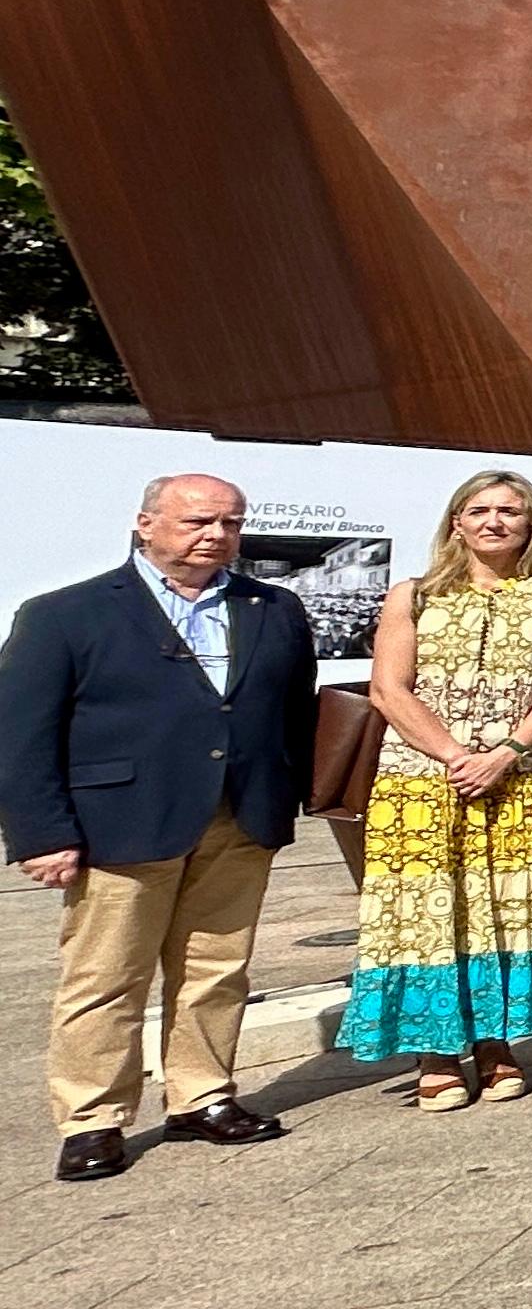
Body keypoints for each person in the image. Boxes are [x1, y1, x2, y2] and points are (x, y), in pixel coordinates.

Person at [3, 475, 314, 1181]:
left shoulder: (274, 608)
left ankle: (201, 1096)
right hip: (122, 823)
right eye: (199, 521)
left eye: (231, 524)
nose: (217, 535)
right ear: (146, 524)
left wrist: (285, 793)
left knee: (216, 968)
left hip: (239, 817)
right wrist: (43, 832)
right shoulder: (65, 615)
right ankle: (92, 1119)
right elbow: (22, 735)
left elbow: (293, 709)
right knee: (106, 977)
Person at [345, 473, 532, 1104]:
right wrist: (456, 753)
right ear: (456, 522)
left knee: (510, 911)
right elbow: (388, 689)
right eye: (478, 510)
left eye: (511, 511)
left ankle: (496, 1045)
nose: (494, 521)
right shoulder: (415, 595)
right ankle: (437, 1054)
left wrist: (505, 752)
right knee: (432, 913)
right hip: (425, 779)